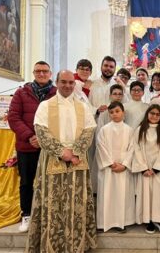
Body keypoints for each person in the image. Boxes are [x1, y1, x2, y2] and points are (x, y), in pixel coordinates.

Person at [25, 70, 97, 252]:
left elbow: (89, 130)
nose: (67, 86)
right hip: (52, 158)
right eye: (63, 82)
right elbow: (40, 130)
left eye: (71, 83)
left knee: (77, 203)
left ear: (75, 84)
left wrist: (75, 152)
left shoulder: (83, 106)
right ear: (56, 82)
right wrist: (60, 151)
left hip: (77, 159)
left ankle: (76, 245)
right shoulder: (45, 106)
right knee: (53, 204)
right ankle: (52, 245)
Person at [8, 61, 57, 232]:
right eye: (38, 71)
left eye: (45, 71)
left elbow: (60, 119)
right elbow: (13, 117)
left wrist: (45, 138)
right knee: (27, 182)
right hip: (27, 145)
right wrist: (30, 136)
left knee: (50, 181)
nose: (42, 74)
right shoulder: (21, 93)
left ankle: (46, 215)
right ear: (33, 73)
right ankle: (27, 215)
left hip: (50, 147)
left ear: (50, 73)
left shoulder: (56, 93)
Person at [132, 104, 160, 235]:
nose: (154, 116)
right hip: (145, 169)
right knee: (147, 195)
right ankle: (149, 220)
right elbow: (136, 149)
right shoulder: (140, 130)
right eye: (152, 113)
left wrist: (155, 169)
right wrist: (144, 168)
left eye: (157, 114)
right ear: (147, 115)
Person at [96, 101, 135, 232]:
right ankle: (104, 222)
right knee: (107, 195)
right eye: (111, 112)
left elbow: (132, 149)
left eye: (117, 111)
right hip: (108, 169)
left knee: (122, 196)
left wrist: (124, 165)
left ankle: (121, 222)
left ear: (123, 112)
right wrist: (110, 163)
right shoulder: (104, 129)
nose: (114, 114)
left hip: (123, 169)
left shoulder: (129, 130)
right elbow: (100, 147)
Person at [89, 84, 125, 194]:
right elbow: (100, 131)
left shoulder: (123, 110)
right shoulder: (105, 111)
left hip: (120, 150)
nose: (117, 96)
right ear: (110, 95)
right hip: (106, 149)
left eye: (120, 94)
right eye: (115, 94)